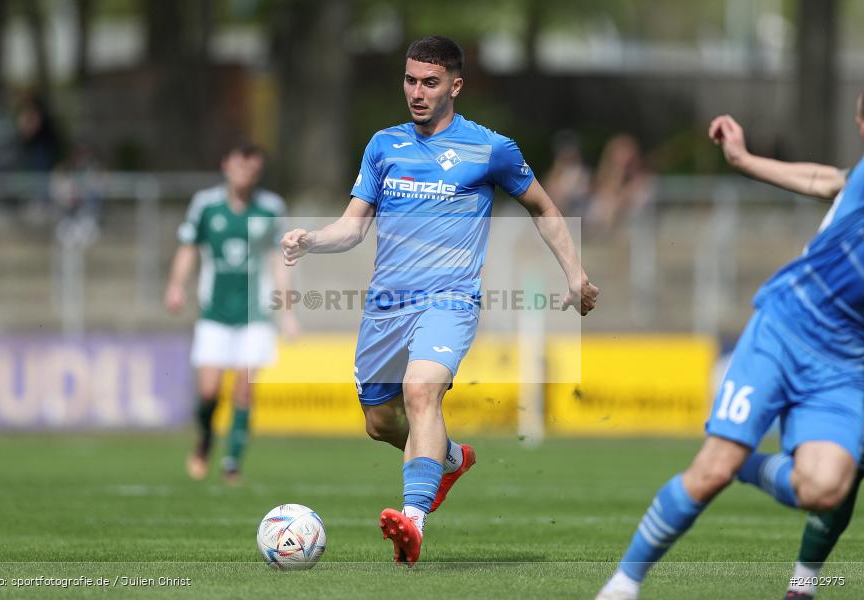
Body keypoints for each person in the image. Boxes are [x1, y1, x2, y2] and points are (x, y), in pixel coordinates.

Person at [281, 36, 599, 566]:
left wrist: (575, 273)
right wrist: (311, 239)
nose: (417, 92)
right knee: (380, 423)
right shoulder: (384, 146)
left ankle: (413, 519)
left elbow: (543, 207)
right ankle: (448, 458)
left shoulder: (491, 148)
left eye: (430, 82)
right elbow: (353, 228)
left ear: (456, 85)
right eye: (410, 80)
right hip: (386, 307)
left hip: (451, 300)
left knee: (421, 392)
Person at [596, 105, 864, 600]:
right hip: (785, 327)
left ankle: (749, 472)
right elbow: (830, 179)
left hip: (846, 366)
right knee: (709, 472)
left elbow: (831, 179)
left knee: (826, 487)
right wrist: (743, 161)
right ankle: (623, 584)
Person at [165, 142, 297, 484]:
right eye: (240, 167)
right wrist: (176, 285)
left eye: (252, 170)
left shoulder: (270, 208)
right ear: (227, 166)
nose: (245, 175)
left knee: (244, 389)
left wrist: (287, 312)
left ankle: (232, 462)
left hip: (255, 315)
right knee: (209, 391)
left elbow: (278, 261)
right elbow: (189, 247)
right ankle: (205, 438)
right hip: (214, 314)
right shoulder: (206, 205)